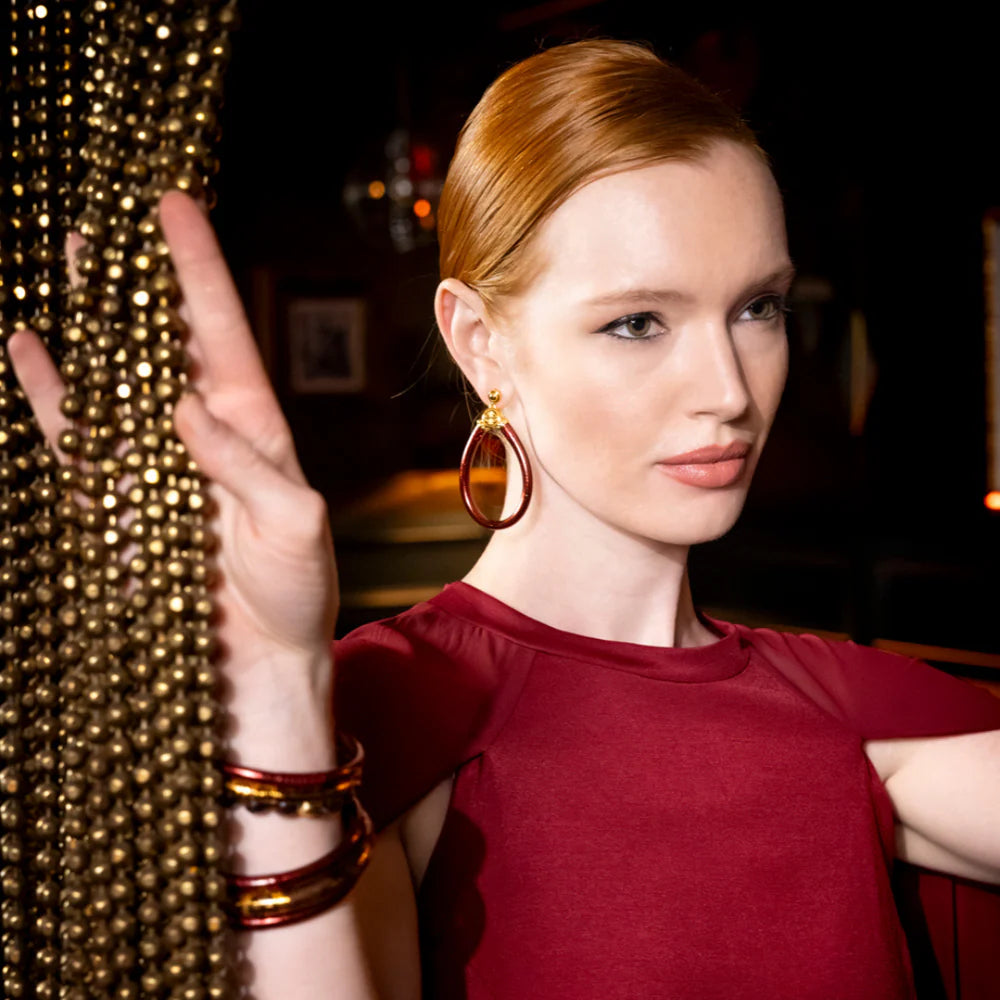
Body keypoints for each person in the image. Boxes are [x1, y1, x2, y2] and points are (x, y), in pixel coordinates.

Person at [9, 38, 1000, 1000]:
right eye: (637, 322)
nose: (728, 391)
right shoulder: (390, 707)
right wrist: (273, 698)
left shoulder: (846, 710)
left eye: (757, 308)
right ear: (481, 341)